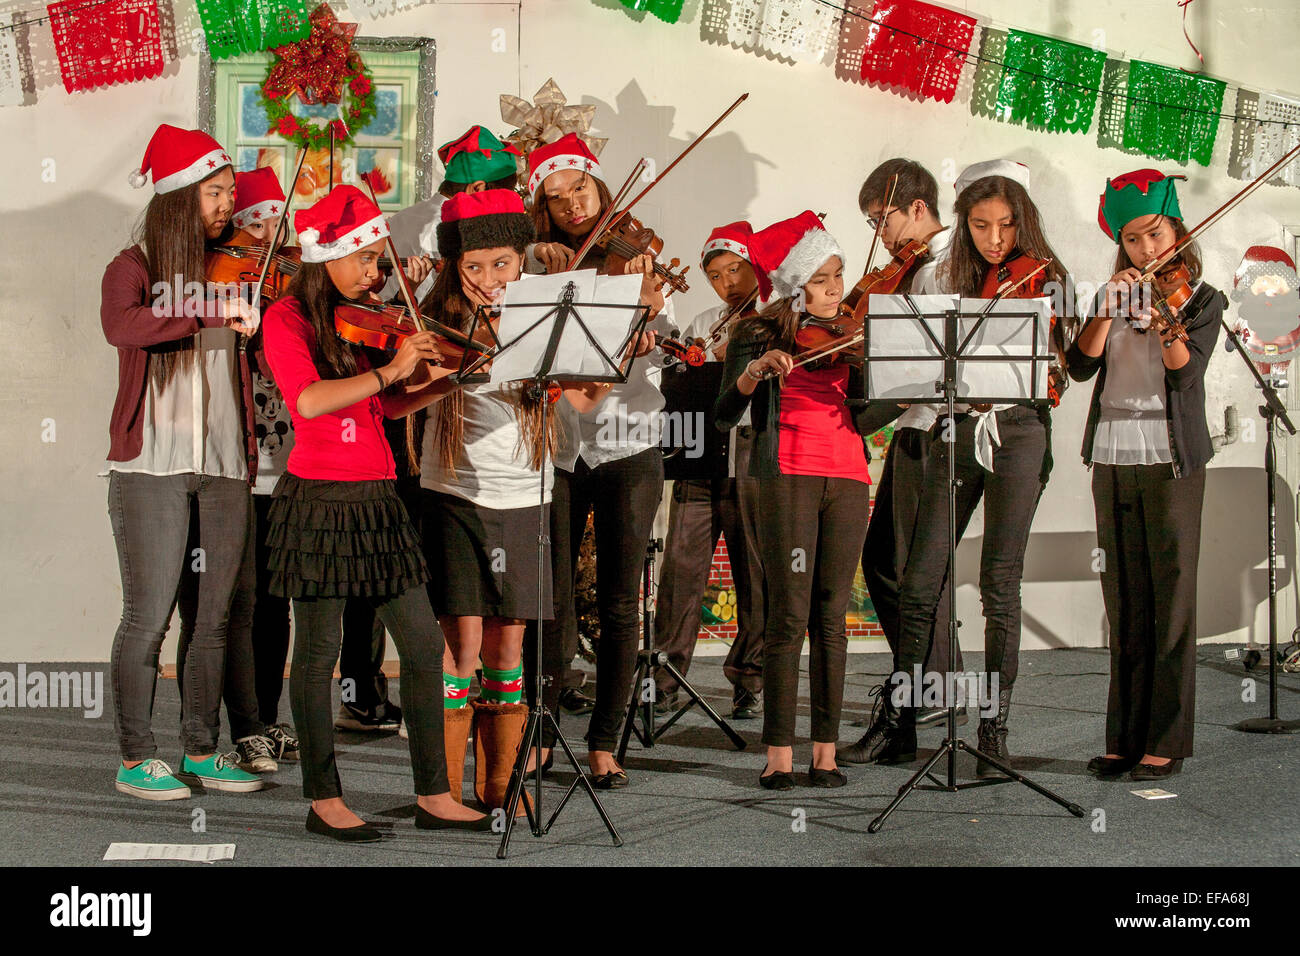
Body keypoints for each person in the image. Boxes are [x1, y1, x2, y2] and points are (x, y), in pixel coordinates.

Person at [260, 184, 491, 840]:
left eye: (376, 258)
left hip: (378, 499)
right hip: (321, 502)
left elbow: (382, 409)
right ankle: (324, 800)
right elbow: (308, 402)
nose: (374, 270)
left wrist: (447, 379)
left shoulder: (361, 320)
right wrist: (394, 370)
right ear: (323, 256)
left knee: (422, 646)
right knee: (318, 653)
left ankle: (434, 794)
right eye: (362, 256)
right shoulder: (287, 319)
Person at [874, 160, 1076, 776]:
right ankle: (907, 720)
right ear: (966, 227)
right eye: (982, 226)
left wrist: (1055, 348)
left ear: (1023, 224)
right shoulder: (952, 278)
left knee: (999, 582)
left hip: (1019, 432)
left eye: (1006, 226)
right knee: (919, 578)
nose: (995, 239)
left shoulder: (1049, 277)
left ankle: (994, 729)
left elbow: (1068, 366)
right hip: (959, 427)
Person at [416, 188, 602, 809]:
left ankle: (503, 786)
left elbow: (583, 401)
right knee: (461, 644)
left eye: (502, 264)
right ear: (454, 268)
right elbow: (410, 386)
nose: (490, 279)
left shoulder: (545, 316)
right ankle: (444, 790)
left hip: (528, 494)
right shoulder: (435, 319)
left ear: (521, 259)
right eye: (474, 268)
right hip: (456, 495)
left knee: (509, 645)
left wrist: (601, 361)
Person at [102, 124, 264, 799]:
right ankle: (137, 757)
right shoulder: (132, 267)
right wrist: (209, 311)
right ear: (177, 199)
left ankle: (202, 749)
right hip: (153, 467)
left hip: (225, 464)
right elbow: (124, 327)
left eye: (229, 191)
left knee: (214, 617)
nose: (229, 204)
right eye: (216, 192)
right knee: (149, 617)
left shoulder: (240, 267)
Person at [522, 132, 672, 788]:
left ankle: (606, 744)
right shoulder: (534, 264)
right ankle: (542, 734)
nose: (572, 206)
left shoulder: (639, 258)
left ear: (601, 187)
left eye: (580, 190)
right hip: (556, 448)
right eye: (556, 200)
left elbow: (669, 349)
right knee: (545, 604)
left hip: (628, 445)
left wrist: (653, 315)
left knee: (618, 604)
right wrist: (534, 269)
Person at [714, 211, 876, 790]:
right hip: (787, 475)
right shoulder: (758, 333)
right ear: (795, 285)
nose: (836, 289)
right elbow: (722, 415)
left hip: (849, 477)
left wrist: (905, 392)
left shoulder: (858, 332)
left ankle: (825, 753)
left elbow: (868, 414)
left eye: (838, 275)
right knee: (787, 616)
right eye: (822, 279)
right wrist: (755, 373)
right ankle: (779, 752)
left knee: (832, 619)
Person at [1072, 169, 1222, 781]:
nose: (1146, 251)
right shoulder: (1112, 290)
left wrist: (1165, 322)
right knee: (1124, 599)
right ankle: (1124, 736)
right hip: (1112, 453)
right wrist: (1104, 310)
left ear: (1176, 230)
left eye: (1154, 235)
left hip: (1169, 457)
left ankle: (1166, 740)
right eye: (1133, 240)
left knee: (1172, 600)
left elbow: (1186, 376)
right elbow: (1080, 367)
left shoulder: (1202, 298)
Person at [838, 158, 966, 766]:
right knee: (893, 566)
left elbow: (928, 368)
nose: (880, 236)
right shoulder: (917, 270)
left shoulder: (939, 270)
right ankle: (923, 684)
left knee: (906, 573)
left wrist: (857, 416)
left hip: (934, 430)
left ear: (918, 209)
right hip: (916, 430)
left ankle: (921, 693)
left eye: (880, 219)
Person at [174, 164, 298, 774]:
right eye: (254, 224)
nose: (266, 238)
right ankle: (234, 728)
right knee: (231, 602)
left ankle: (266, 720)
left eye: (278, 220)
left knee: (275, 599)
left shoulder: (290, 279)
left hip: (290, 462)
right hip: (231, 461)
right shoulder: (213, 279)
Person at [654, 221, 765, 719]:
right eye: (716, 276)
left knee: (754, 575)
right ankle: (665, 679)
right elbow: (680, 388)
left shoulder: (777, 319)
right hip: (700, 459)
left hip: (752, 460)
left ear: (756, 267)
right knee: (680, 572)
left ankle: (750, 679)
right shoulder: (703, 322)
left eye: (735, 270)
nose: (727, 284)